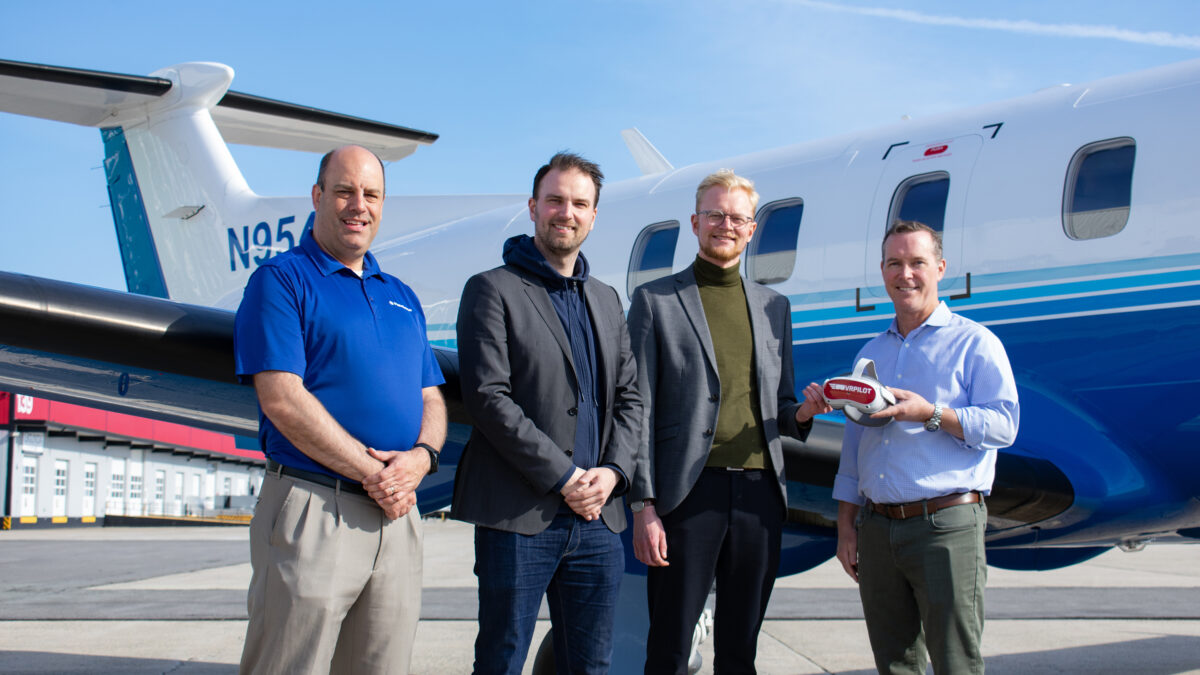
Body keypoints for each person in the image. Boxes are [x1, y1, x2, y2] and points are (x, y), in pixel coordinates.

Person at [234, 145, 447, 675]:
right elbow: (282, 396)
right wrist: (376, 474)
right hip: (315, 507)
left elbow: (431, 396)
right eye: (345, 191)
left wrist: (422, 458)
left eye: (371, 194)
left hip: (397, 516)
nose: (359, 205)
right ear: (317, 196)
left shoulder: (401, 296)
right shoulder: (281, 279)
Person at [627, 169, 831, 675]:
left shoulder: (774, 307)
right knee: (669, 649)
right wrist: (644, 506)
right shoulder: (655, 301)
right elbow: (637, 410)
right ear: (695, 222)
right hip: (687, 495)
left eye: (738, 218)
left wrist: (805, 413)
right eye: (715, 215)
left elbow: (782, 405)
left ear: (752, 229)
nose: (726, 225)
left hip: (760, 496)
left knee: (741, 652)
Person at [452, 152, 642, 675]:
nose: (567, 212)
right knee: (502, 660)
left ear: (594, 216)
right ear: (533, 207)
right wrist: (566, 476)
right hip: (518, 517)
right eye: (555, 200)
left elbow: (630, 398)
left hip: (598, 519)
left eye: (580, 203)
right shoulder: (492, 289)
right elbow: (488, 398)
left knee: (591, 666)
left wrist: (613, 472)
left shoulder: (606, 300)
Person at [833, 220, 1019, 674]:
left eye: (917, 262)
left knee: (956, 663)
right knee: (894, 664)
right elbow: (855, 445)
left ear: (940, 268)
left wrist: (931, 413)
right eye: (894, 263)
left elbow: (1004, 425)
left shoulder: (975, 343)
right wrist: (846, 526)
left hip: (945, 527)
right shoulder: (870, 352)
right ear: (882, 271)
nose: (906, 274)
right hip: (878, 529)